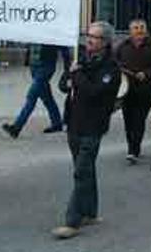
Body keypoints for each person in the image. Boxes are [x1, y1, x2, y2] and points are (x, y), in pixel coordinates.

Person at [51, 22, 121, 240]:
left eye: (95, 37)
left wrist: (76, 76)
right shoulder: (81, 59)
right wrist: (71, 75)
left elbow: (93, 92)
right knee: (85, 169)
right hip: (74, 122)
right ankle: (90, 211)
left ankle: (72, 221)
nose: (89, 39)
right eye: (88, 35)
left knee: (81, 171)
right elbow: (64, 85)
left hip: (93, 125)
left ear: (105, 42)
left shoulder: (111, 68)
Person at [115, 19, 151, 164]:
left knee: (139, 120)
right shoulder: (122, 46)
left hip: (145, 90)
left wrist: (147, 73)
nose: (139, 30)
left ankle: (133, 150)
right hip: (127, 90)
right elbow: (114, 62)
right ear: (130, 31)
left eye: (142, 27)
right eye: (136, 28)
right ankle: (133, 146)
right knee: (128, 121)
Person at [2, 44, 71, 138]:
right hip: (35, 66)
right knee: (46, 97)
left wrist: (67, 70)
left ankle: (16, 127)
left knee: (31, 97)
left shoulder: (52, 31)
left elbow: (64, 48)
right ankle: (57, 123)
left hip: (45, 67)